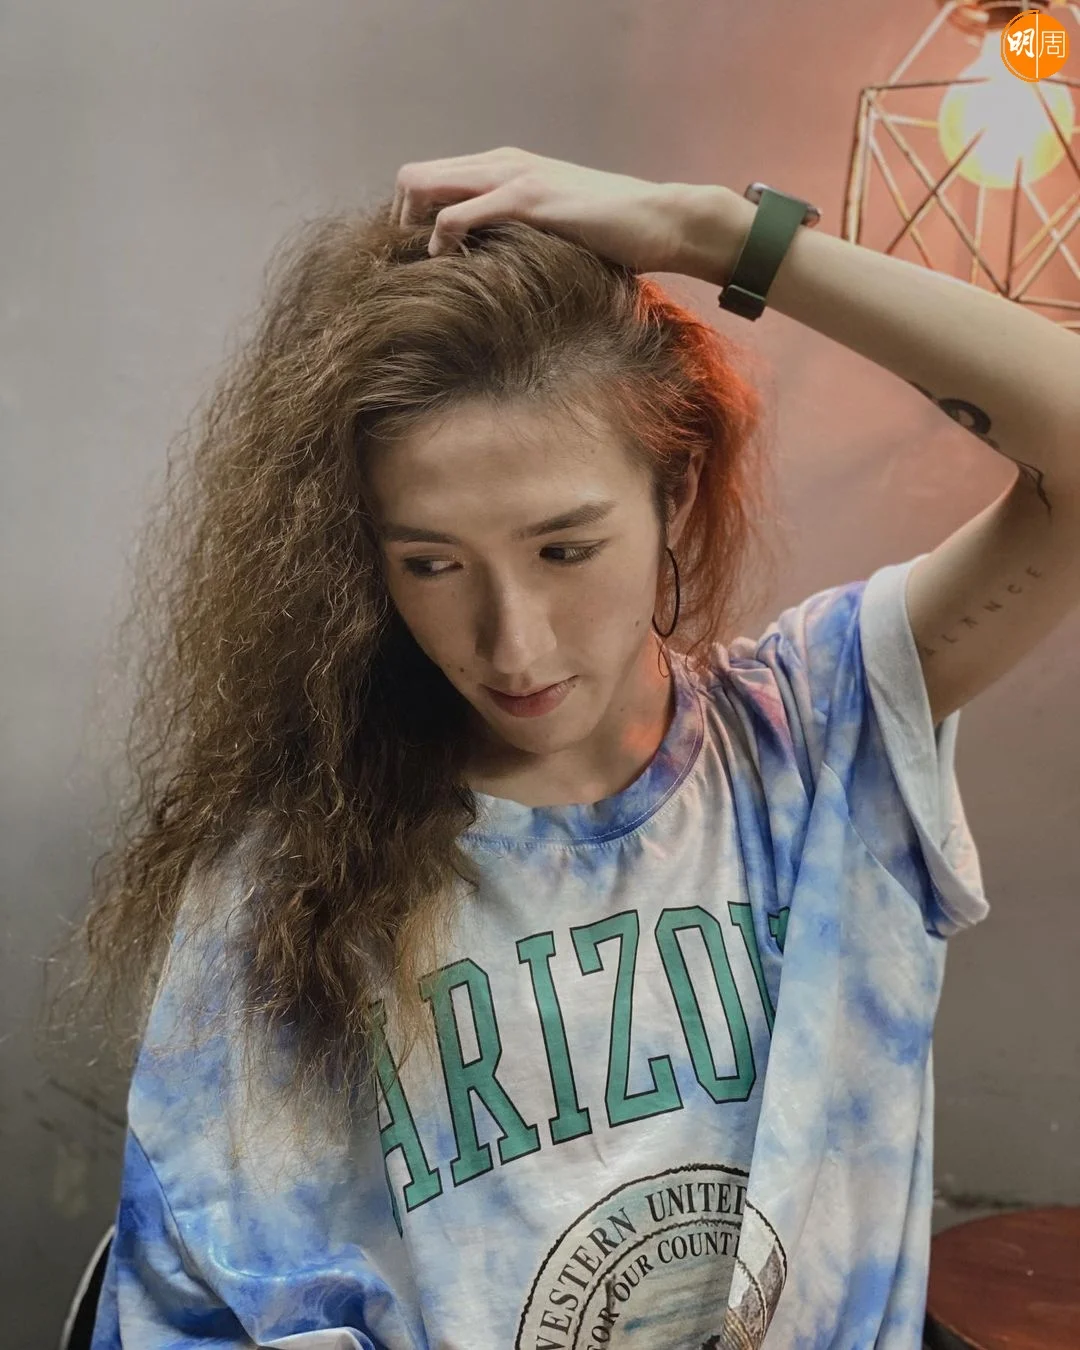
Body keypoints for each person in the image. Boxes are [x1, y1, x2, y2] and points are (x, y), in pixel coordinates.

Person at [75, 147, 1080, 1349]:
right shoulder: (287, 881)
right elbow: (201, 1303)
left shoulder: (820, 737)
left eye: (566, 549)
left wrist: (712, 231)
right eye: (431, 564)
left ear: (674, 494)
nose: (514, 643)